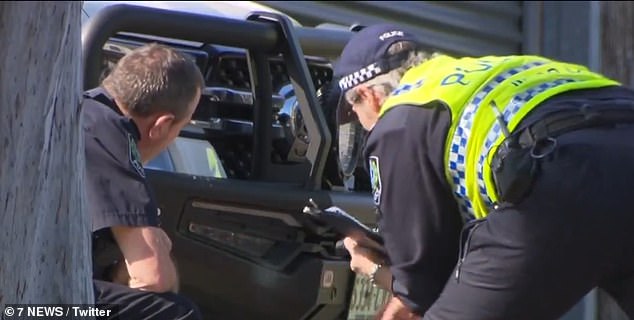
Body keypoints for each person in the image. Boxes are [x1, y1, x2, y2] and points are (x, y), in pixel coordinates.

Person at [333, 23, 634, 320]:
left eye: (355, 114)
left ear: (368, 95)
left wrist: (372, 268)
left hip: (558, 185)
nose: (362, 126)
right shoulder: (481, 70)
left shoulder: (398, 117)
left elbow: (420, 293)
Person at [83, 42, 205, 319]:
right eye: (181, 127)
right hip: (24, 304)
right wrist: (157, 248)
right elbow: (152, 277)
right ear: (161, 125)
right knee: (175, 314)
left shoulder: (88, 111)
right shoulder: (110, 133)